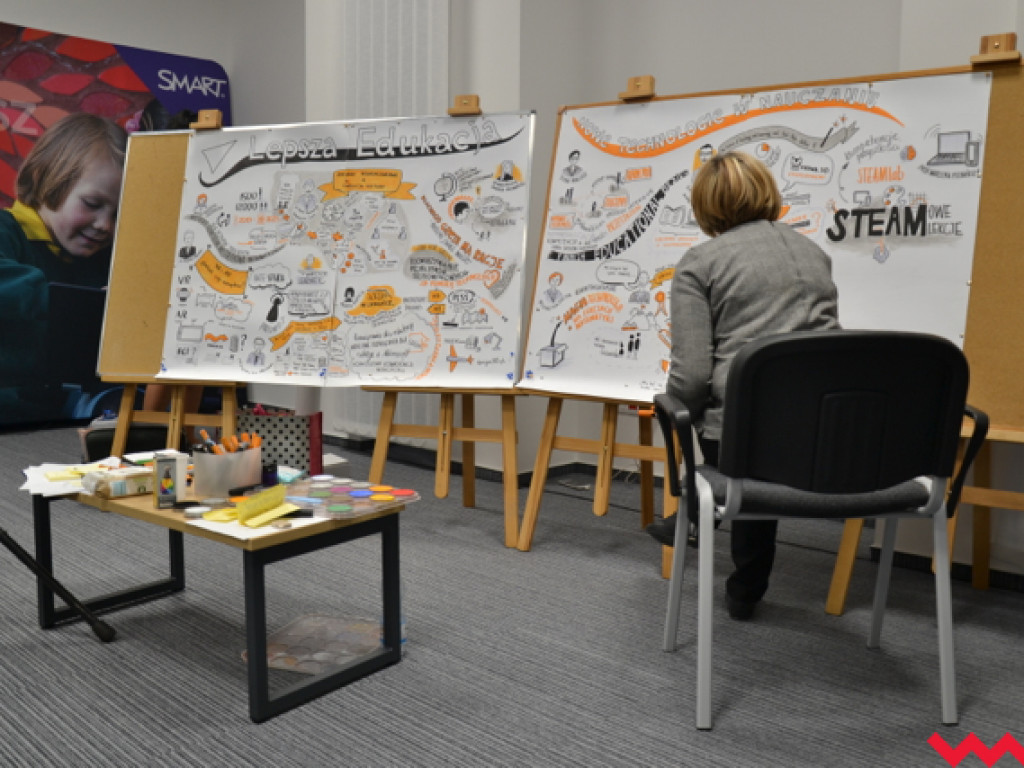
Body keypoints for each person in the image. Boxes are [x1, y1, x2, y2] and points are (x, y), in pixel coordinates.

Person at [645, 151, 840, 620]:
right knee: (763, 422)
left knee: (695, 411)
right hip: (823, 430)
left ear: (705, 205)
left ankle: (699, 514)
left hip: (744, 437)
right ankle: (739, 580)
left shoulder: (700, 263)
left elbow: (691, 375)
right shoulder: (815, 253)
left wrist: (673, 407)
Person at [0, 112, 127, 418]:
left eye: (118, 214)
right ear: (46, 178)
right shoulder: (7, 229)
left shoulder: (101, 259)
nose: (105, 225)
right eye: (92, 204)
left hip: (62, 411)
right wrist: (72, 302)